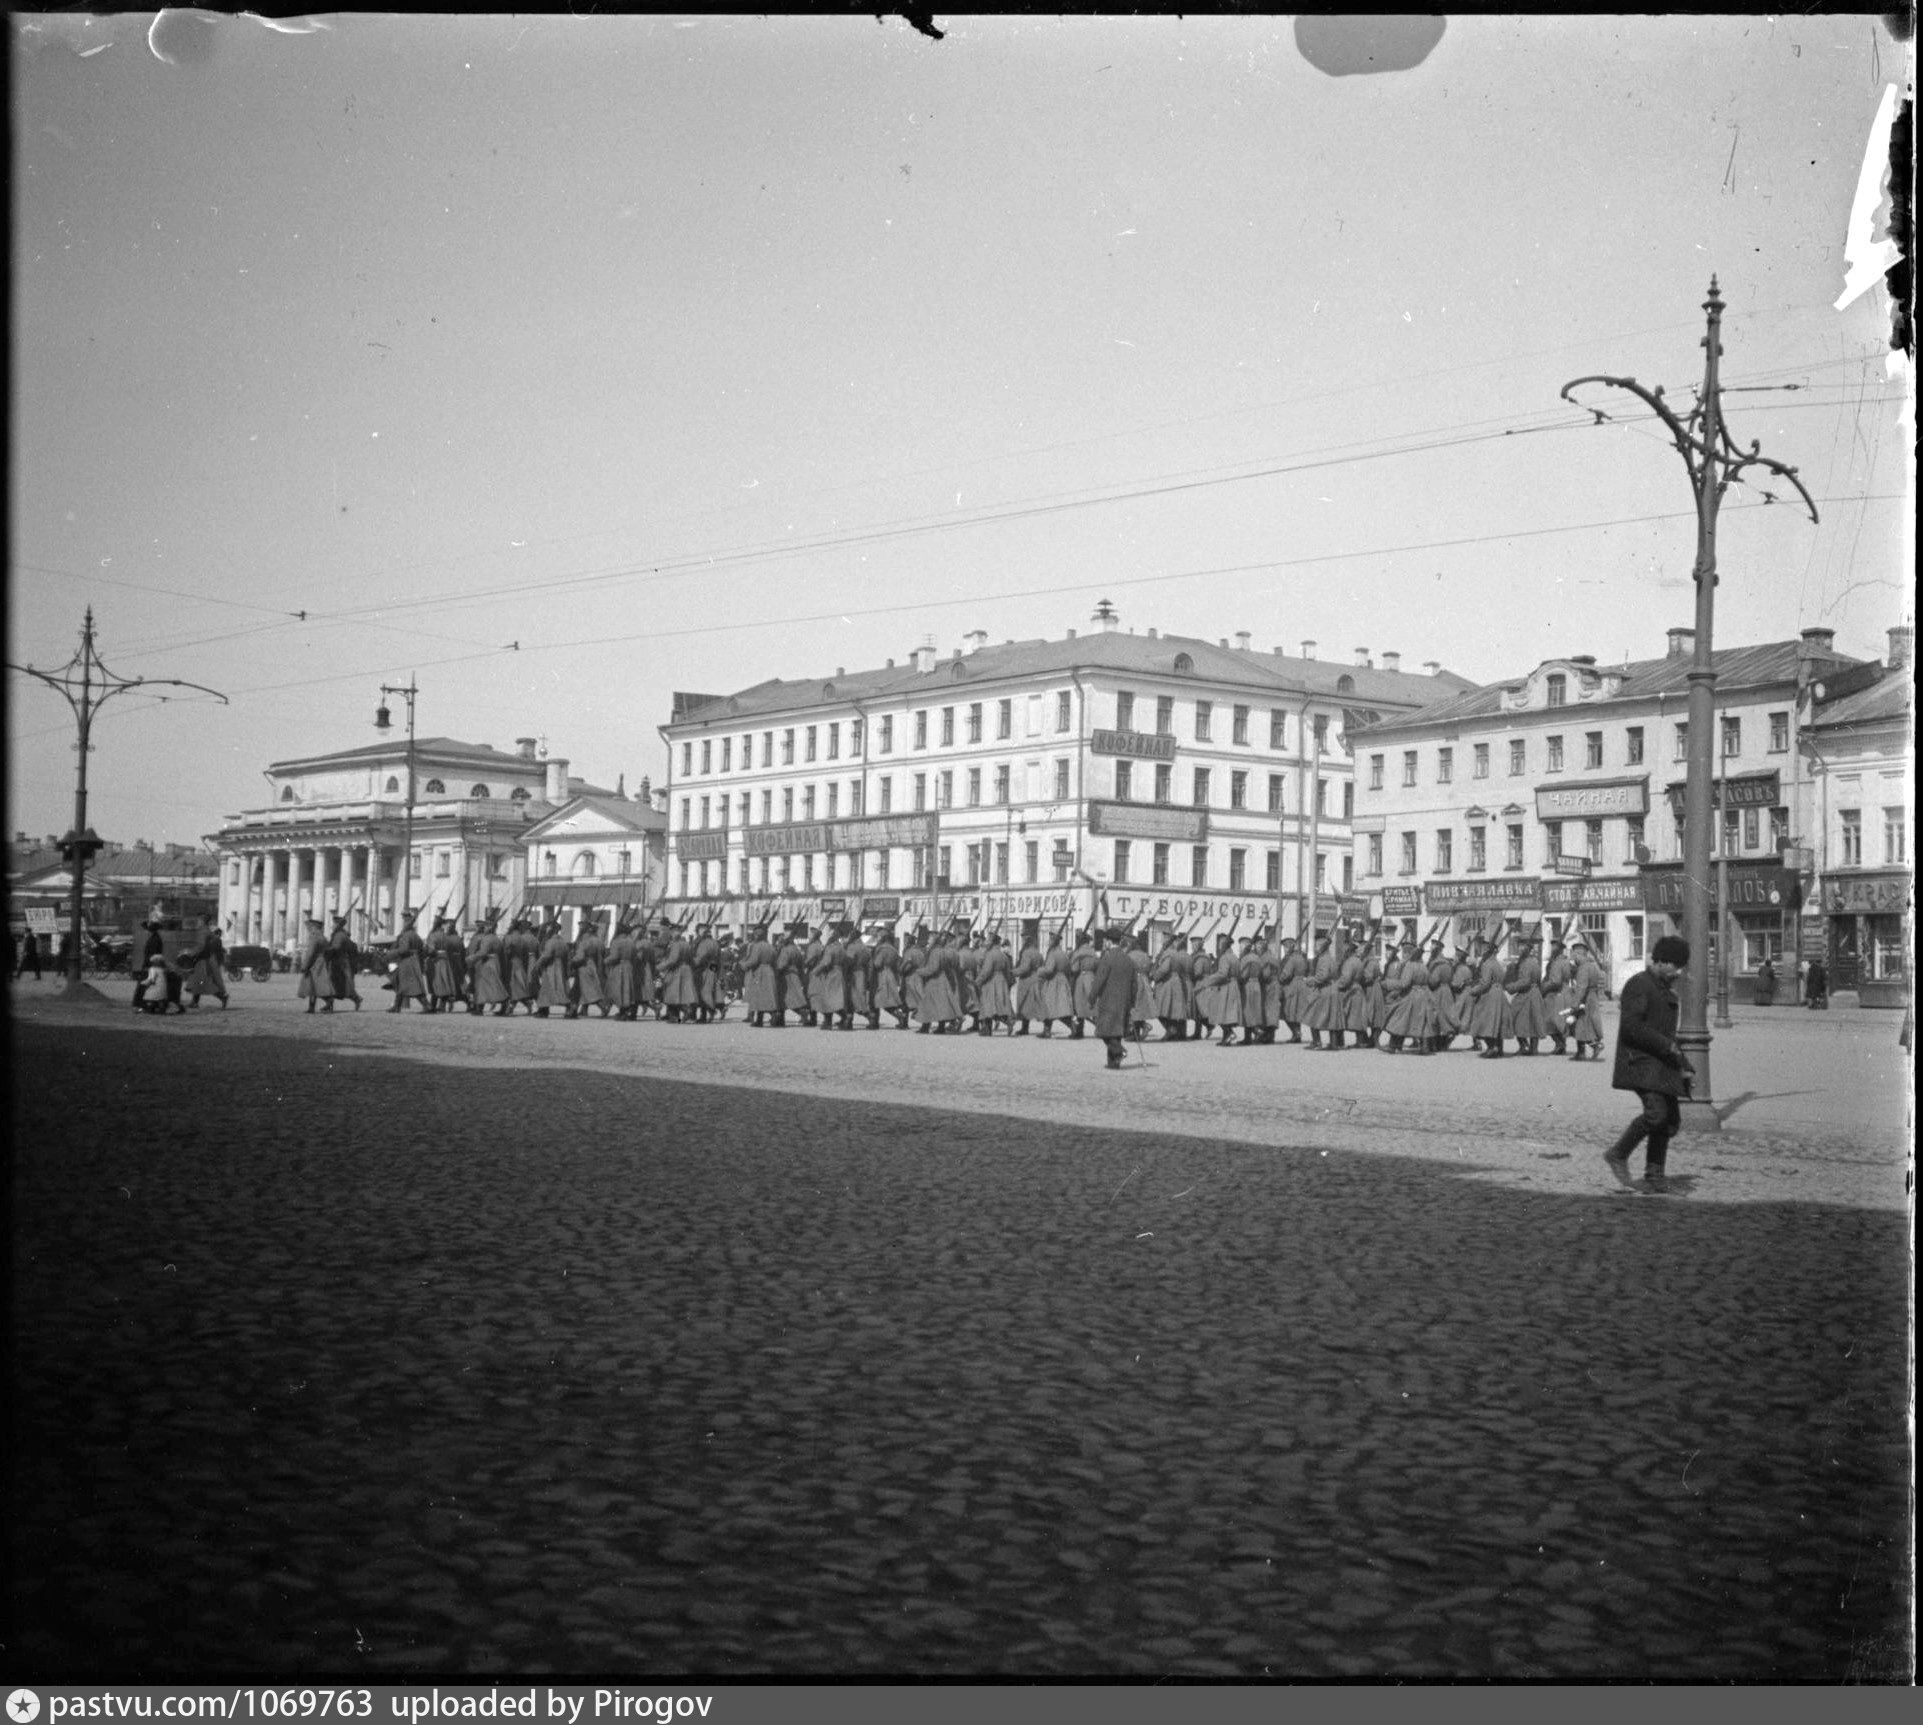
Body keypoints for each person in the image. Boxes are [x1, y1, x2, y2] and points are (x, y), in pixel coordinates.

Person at [1604, 935, 1695, 1194]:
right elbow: (1632, 1028)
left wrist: (1684, 1064)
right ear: (1662, 962)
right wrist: (1667, 1047)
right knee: (1656, 1114)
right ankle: (1618, 1154)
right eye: (1675, 966)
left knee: (1669, 1122)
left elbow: (1668, 1034)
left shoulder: (1665, 990)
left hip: (1661, 1064)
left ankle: (1654, 1176)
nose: (1678, 972)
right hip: (1641, 1062)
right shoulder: (1639, 985)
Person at [1090, 926, 1138, 1070]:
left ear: (1109, 941)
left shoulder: (1108, 957)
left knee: (1104, 1031)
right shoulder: (1128, 959)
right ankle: (1114, 1062)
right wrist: (1132, 1001)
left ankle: (1119, 1051)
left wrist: (1092, 997)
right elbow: (1134, 984)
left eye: (1105, 940)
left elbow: (1099, 980)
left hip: (1108, 1000)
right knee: (1116, 1031)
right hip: (1124, 1001)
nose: (1104, 943)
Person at [1565, 938, 1606, 1060]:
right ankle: (1585, 1050)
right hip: (1592, 997)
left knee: (1580, 1024)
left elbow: (1581, 988)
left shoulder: (1583, 968)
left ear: (1578, 954)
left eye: (1574, 955)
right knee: (1587, 1025)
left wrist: (1574, 1005)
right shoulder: (1592, 966)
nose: (1573, 959)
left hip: (1585, 999)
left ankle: (1589, 1049)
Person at [183, 923, 230, 1009]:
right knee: (198, 983)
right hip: (203, 963)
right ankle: (194, 1002)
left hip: (204, 963)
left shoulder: (212, 940)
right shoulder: (211, 940)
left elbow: (204, 951)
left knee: (205, 984)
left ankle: (222, 996)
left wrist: (191, 954)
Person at [296, 917, 336, 1014]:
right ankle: (312, 1007)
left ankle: (328, 1002)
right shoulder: (323, 937)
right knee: (313, 986)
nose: (308, 928)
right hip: (321, 963)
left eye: (309, 926)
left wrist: (305, 966)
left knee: (317, 986)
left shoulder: (314, 937)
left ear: (314, 927)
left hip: (314, 964)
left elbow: (310, 953)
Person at [130, 919, 166, 1013]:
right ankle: (145, 1004)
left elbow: (152, 955)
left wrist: (148, 965)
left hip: (150, 966)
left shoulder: (155, 939)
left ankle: (141, 1004)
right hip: (151, 965)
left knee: (144, 986)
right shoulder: (155, 938)